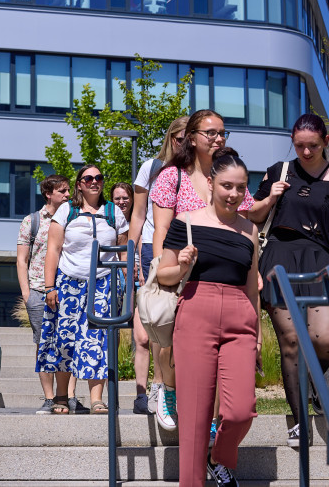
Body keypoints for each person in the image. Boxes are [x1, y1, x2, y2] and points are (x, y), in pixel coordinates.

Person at [249, 113, 329, 446]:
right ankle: (299, 420)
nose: (306, 152)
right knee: (292, 341)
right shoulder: (279, 172)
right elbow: (252, 216)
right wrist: (270, 197)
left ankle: (311, 384)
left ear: (326, 141)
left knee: (327, 337)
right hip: (279, 258)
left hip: (323, 262)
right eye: (299, 145)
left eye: (312, 145)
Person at [157, 147, 259, 487]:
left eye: (241, 187)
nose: (233, 194)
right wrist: (183, 264)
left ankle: (220, 456)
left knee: (241, 411)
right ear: (212, 183)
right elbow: (164, 277)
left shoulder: (250, 231)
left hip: (240, 318)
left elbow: (251, 287)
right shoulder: (185, 223)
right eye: (227, 186)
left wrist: (256, 335)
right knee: (195, 418)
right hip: (195, 312)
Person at [149, 110, 255, 431]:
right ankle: (168, 390)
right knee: (171, 344)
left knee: (220, 358)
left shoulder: (231, 175)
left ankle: (211, 420)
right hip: (183, 273)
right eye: (210, 133)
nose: (218, 138)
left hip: (224, 279)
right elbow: (161, 229)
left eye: (223, 132)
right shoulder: (172, 176)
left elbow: (245, 225)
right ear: (192, 138)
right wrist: (162, 272)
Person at [36, 165, 129, 414]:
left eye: (99, 178)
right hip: (69, 282)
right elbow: (53, 250)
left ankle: (96, 399)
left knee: (96, 341)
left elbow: (123, 254)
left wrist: (128, 288)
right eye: (88, 178)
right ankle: (62, 397)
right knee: (64, 338)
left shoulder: (114, 213)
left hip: (103, 283)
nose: (94, 182)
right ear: (79, 184)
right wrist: (49, 287)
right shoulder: (67, 210)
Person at [129, 116, 188, 416]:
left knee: (179, 321)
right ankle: (158, 386)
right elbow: (138, 215)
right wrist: (132, 255)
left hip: (188, 247)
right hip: (155, 246)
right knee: (159, 319)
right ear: (170, 138)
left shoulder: (198, 171)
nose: (185, 144)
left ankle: (168, 385)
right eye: (179, 138)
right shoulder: (152, 168)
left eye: (190, 138)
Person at [17, 175, 89, 414]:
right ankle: (49, 398)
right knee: (44, 344)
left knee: (69, 342)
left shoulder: (74, 216)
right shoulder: (32, 221)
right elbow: (21, 260)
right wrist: (27, 293)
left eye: (69, 190)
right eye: (62, 191)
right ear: (48, 194)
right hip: (39, 289)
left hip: (68, 287)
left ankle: (68, 396)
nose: (68, 195)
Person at [110, 181, 149, 414]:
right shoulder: (110, 222)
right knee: (111, 339)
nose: (122, 202)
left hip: (140, 283)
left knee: (142, 338)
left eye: (126, 198)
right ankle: (110, 395)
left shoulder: (140, 223)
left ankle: (142, 396)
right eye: (117, 198)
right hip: (116, 284)